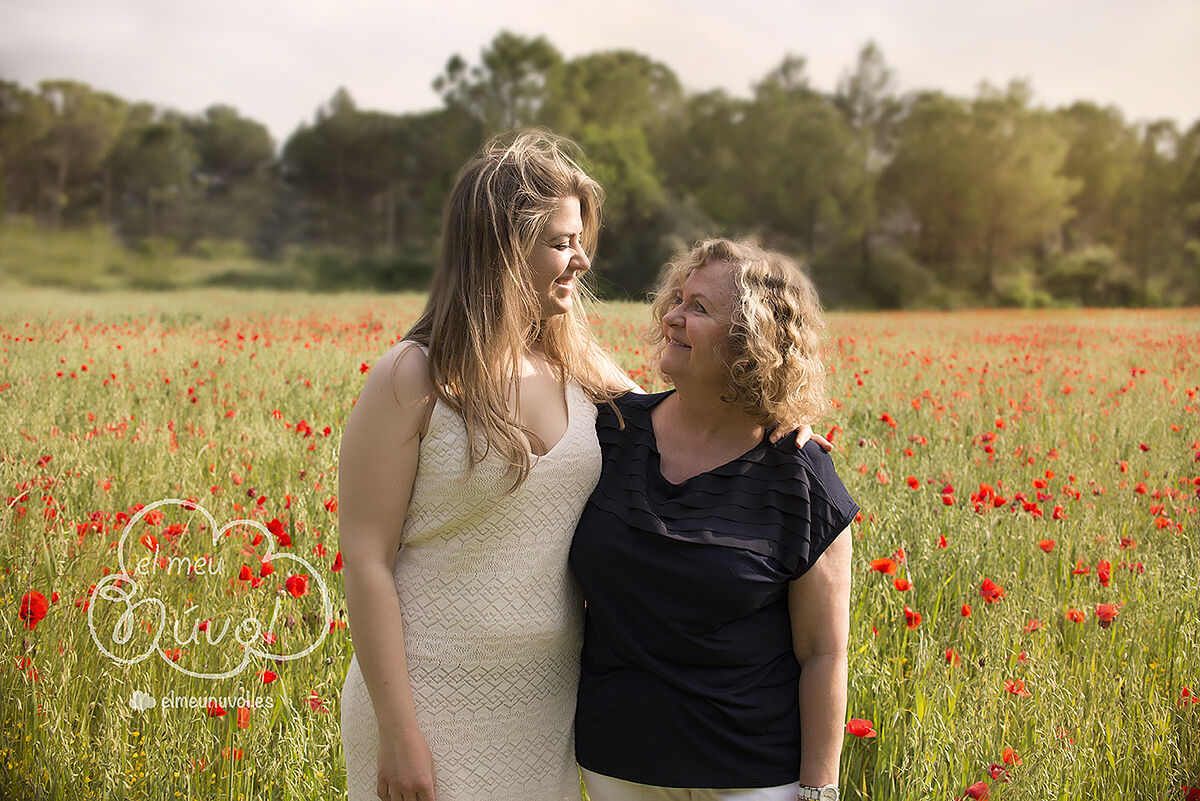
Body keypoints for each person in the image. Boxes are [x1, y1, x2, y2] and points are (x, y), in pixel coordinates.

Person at [338, 130, 826, 801]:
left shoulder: (577, 364)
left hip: (549, 709)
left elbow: (698, 414)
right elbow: (365, 559)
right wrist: (399, 732)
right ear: (505, 245)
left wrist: (777, 424)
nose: (583, 259)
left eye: (581, 239)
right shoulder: (412, 375)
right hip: (425, 697)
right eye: (563, 241)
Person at [570, 238, 858, 801]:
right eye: (677, 300)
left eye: (698, 308)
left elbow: (823, 652)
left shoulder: (799, 476)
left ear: (753, 343)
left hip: (750, 775)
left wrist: (818, 790)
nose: (671, 317)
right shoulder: (609, 434)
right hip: (618, 762)